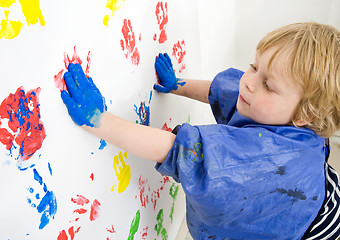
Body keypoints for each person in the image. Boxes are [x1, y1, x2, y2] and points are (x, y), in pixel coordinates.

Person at [60, 22, 340, 239]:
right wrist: (177, 84)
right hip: (316, 185)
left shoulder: (267, 163)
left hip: (307, 225)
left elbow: (179, 150)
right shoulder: (269, 103)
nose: (249, 82)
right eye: (254, 66)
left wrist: (99, 120)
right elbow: (225, 92)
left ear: (307, 115)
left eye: (268, 84)